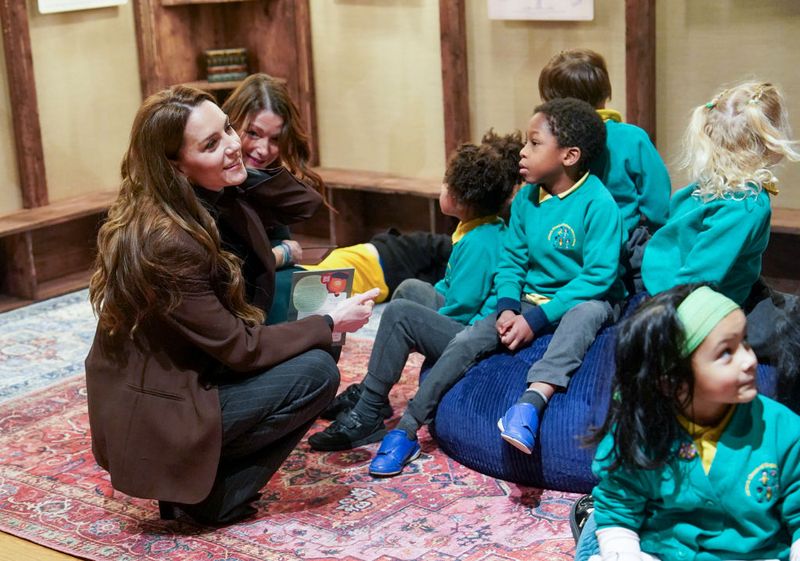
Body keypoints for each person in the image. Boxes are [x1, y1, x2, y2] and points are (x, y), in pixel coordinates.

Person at [85, 85, 378, 526]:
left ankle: (202, 481)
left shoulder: (202, 196)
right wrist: (328, 321)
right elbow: (241, 349)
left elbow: (304, 203)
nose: (233, 145)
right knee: (317, 370)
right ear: (174, 166)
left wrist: (233, 163)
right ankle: (212, 495)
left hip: (189, 377)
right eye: (210, 143)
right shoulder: (167, 240)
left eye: (227, 129)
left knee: (313, 336)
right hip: (161, 413)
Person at [306, 131, 524, 460]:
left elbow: (461, 309)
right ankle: (371, 390)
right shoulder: (475, 228)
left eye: (445, 184)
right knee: (409, 289)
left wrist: (421, 323)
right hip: (466, 318)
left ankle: (367, 413)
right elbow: (450, 290)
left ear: (460, 199)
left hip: (475, 336)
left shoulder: (482, 241)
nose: (441, 188)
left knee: (399, 314)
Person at [574, 284, 800, 561]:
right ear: (671, 382)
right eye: (726, 353)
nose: (749, 360)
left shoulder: (784, 430)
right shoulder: (641, 430)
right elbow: (619, 507)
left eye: (745, 341)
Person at [222, 73, 453, 321]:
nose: (263, 149)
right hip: (334, 276)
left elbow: (305, 204)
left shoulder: (264, 183)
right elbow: (230, 269)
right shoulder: (219, 191)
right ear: (229, 126)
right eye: (254, 133)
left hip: (359, 263)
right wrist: (282, 254)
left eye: (275, 139)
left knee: (436, 251)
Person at [641, 81, 800, 398]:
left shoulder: (708, 183)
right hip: (688, 302)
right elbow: (697, 281)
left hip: (664, 278)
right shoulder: (749, 205)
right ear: (768, 143)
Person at [538, 48, 671, 293]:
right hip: (622, 249)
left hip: (563, 247)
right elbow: (659, 207)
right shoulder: (632, 138)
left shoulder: (549, 144)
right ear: (605, 91)